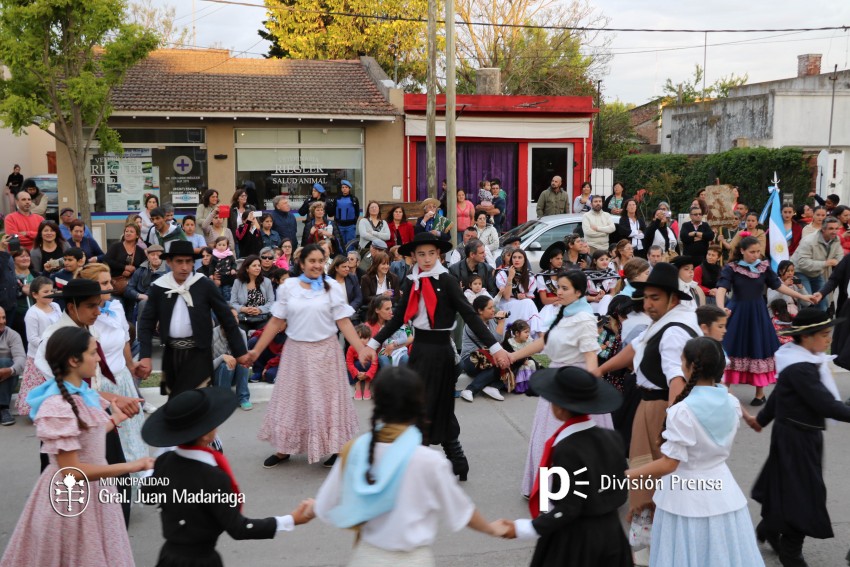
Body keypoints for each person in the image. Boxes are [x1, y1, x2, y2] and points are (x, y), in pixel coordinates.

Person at [314, 367, 507, 564]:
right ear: (419, 404)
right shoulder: (431, 461)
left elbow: (323, 506)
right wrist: (493, 529)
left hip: (367, 557)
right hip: (414, 560)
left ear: (375, 402)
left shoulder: (355, 450)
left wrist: (300, 514)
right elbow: (463, 512)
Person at [359, 233, 510, 481]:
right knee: (418, 407)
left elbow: (470, 315)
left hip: (441, 353)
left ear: (438, 254)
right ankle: (441, 462)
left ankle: (452, 460)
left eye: (431, 253)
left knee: (439, 407)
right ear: (413, 256)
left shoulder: (448, 281)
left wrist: (496, 348)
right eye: (421, 254)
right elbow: (398, 318)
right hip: (419, 352)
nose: (427, 259)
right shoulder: (412, 282)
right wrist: (373, 344)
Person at [0, 327, 153, 567]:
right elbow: (71, 471)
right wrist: (131, 466)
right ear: (73, 360)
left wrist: (114, 420)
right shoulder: (58, 405)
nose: (99, 358)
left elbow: (85, 436)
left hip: (96, 490)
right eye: (93, 353)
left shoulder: (82, 394)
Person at [593, 262, 701, 564]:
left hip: (660, 408)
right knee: (654, 478)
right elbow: (635, 349)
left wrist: (672, 427)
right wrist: (599, 370)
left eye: (655, 298)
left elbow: (676, 380)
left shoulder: (673, 331)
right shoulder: (664, 322)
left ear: (673, 298)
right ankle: (655, 547)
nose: (648, 304)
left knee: (654, 480)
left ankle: (658, 549)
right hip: (649, 406)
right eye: (647, 297)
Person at [625, 337, 764, 567]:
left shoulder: (682, 411)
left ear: (690, 366)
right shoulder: (731, 402)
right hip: (723, 492)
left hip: (684, 496)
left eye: (682, 361)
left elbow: (670, 463)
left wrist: (629, 474)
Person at [141, 388, 314, 567]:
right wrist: (291, 520)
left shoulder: (164, 461)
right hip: (201, 561)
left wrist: (151, 471)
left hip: (168, 557)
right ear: (206, 435)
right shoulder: (213, 477)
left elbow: (146, 495)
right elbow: (238, 528)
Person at [495, 366, 629, 567]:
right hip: (613, 536)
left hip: (578, 541)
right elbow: (620, 489)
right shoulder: (613, 437)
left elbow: (569, 508)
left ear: (559, 408)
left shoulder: (567, 449)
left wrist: (521, 529)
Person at [751, 308, 850, 567]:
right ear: (806, 337)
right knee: (802, 495)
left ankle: (769, 527)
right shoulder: (800, 368)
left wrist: (761, 420)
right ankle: (791, 552)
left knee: (789, 487)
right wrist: (762, 420)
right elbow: (826, 404)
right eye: (824, 335)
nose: (829, 340)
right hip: (796, 438)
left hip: (798, 435)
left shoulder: (799, 360)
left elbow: (779, 394)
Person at [252, 244, 364, 468]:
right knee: (291, 400)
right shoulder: (289, 287)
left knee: (327, 402)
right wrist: (256, 351)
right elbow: (276, 321)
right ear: (301, 263)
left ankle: (336, 448)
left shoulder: (332, 287)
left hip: (326, 353)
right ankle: (284, 449)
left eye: (320, 261)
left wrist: (361, 349)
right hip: (296, 353)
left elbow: (343, 322)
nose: (317, 265)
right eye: (312, 261)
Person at [507, 269, 612, 496]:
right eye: (558, 287)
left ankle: (570, 493)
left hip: (574, 384)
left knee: (568, 439)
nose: (559, 292)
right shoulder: (564, 312)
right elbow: (545, 340)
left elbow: (590, 356)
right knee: (549, 437)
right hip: (556, 380)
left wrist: (591, 389)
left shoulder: (584, 318)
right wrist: (513, 356)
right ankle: (550, 488)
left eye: (565, 288)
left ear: (579, 292)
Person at [137, 240, 250, 398]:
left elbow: (226, 317)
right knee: (176, 402)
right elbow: (146, 323)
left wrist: (240, 351)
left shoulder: (204, 285)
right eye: (179, 261)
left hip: (200, 353)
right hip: (172, 353)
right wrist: (145, 355)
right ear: (169, 262)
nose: (184, 267)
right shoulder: (159, 287)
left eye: (188, 261)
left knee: (199, 401)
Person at [718, 236, 813, 405]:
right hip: (737, 313)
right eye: (752, 252)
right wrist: (720, 308)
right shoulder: (732, 268)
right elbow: (721, 289)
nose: (756, 255)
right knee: (731, 348)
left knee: (758, 349)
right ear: (742, 251)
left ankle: (760, 394)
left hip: (757, 314)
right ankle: (725, 391)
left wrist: (802, 296)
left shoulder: (763, 268)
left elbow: (779, 285)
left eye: (758, 251)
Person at [78, 263, 149, 468]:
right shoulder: (86, 318)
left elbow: (124, 339)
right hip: (101, 385)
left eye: (110, 281)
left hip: (123, 379)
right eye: (104, 283)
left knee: (133, 433)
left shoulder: (116, 306)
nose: (111, 286)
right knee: (113, 440)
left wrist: (131, 366)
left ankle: (138, 477)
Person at [16, 277, 60, 419]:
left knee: (56, 382)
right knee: (40, 384)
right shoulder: (32, 313)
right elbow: (32, 338)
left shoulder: (56, 306)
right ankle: (39, 411)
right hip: (39, 356)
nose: (50, 294)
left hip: (57, 352)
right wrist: (49, 345)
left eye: (51, 290)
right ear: (35, 294)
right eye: (45, 292)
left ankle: (56, 409)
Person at [458, 296, 508, 402]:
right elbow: (495, 341)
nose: (493, 310)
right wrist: (501, 323)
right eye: (490, 308)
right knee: (498, 363)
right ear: (480, 311)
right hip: (470, 359)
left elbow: (500, 340)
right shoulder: (472, 324)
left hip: (488, 358)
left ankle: (494, 387)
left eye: (493, 307)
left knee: (511, 361)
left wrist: (498, 322)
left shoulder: (491, 321)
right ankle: (470, 390)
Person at [790, 216, 842, 311]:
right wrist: (825, 263)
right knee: (808, 302)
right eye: (831, 228)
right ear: (823, 229)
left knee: (823, 302)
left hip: (816, 272)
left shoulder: (836, 239)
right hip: (800, 271)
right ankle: (806, 320)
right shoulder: (808, 241)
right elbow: (802, 263)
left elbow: (839, 256)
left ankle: (821, 320)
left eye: (836, 228)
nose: (834, 231)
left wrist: (839, 263)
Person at [812, 253, 850, 370]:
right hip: (848, 310)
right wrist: (822, 292)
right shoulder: (848, 259)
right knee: (845, 353)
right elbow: (834, 279)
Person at [213, 308, 253, 411]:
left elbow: (244, 357)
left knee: (243, 363)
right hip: (217, 375)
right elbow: (207, 366)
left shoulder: (241, 333)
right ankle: (224, 400)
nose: (236, 320)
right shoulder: (212, 334)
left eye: (237, 317)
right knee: (225, 364)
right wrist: (222, 357)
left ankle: (243, 398)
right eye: (232, 317)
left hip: (234, 375)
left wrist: (239, 359)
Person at [496, 248, 540, 335]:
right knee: (528, 303)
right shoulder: (503, 273)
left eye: (520, 257)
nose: (516, 260)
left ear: (524, 260)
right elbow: (506, 296)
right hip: (506, 303)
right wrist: (510, 277)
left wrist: (523, 296)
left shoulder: (530, 275)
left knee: (528, 302)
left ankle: (526, 332)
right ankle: (532, 332)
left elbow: (529, 296)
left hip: (523, 303)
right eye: (514, 257)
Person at [364, 296, 412, 369]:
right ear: (377, 310)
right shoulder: (367, 327)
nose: (391, 312)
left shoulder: (395, 321)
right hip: (378, 359)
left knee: (405, 359)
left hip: (399, 354)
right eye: (387, 309)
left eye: (391, 308)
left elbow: (410, 338)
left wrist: (393, 346)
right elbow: (366, 349)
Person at [230, 254, 275, 329]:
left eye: (259, 265)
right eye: (254, 266)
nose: (257, 268)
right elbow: (232, 303)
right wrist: (243, 309)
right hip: (243, 318)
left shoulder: (267, 282)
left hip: (262, 318)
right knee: (239, 331)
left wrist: (259, 310)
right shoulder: (237, 282)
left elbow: (271, 302)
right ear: (247, 268)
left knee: (263, 332)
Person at [0, 306, 25, 426]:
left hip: (4, 376)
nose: (2, 321)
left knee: (5, 363)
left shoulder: (12, 335)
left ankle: (3, 408)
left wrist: (10, 370)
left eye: (4, 317)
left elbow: (21, 359)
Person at [346, 323, 378, 400]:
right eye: (360, 338)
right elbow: (349, 362)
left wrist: (367, 374)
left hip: (367, 368)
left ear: (369, 338)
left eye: (365, 338)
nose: (362, 340)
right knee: (356, 364)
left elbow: (374, 364)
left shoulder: (371, 349)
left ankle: (367, 388)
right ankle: (358, 388)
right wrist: (356, 373)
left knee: (367, 363)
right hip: (356, 369)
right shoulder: (351, 348)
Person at [329, 255, 363, 322]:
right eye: (344, 267)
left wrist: (349, 309)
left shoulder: (352, 278)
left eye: (348, 266)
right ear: (336, 268)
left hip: (350, 313)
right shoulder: (328, 281)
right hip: (333, 315)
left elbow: (358, 297)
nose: (347, 269)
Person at [329, 179, 361, 250]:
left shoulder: (354, 199)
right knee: (340, 244)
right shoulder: (337, 199)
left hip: (350, 226)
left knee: (351, 244)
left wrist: (353, 223)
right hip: (339, 226)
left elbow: (357, 212)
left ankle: (350, 256)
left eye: (346, 187)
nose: (344, 189)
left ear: (349, 188)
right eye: (343, 187)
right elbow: (333, 212)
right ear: (341, 189)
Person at [536, 242, 566, 307]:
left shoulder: (565, 274)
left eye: (561, 259)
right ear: (550, 260)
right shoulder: (542, 277)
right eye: (557, 258)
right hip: (550, 307)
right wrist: (560, 299)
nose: (560, 261)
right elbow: (544, 300)